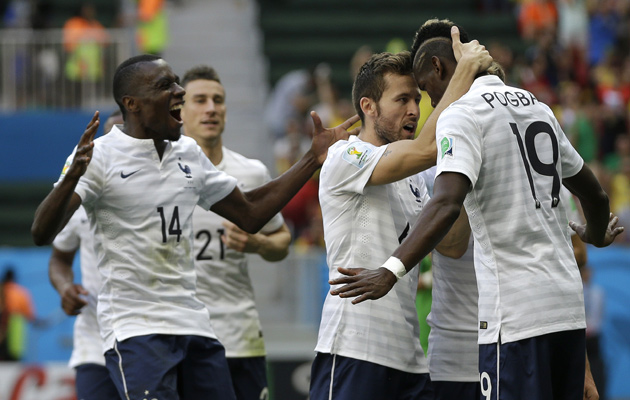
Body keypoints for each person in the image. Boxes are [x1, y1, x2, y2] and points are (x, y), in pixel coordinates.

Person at [31, 54, 359, 399]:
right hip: (136, 329)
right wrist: (71, 179)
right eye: (165, 86)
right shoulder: (99, 156)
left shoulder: (186, 152)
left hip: (195, 325)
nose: (179, 92)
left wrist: (311, 158)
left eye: (176, 83)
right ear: (133, 104)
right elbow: (42, 233)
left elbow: (250, 213)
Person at [330, 21, 624, 400]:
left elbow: (447, 202)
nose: (428, 104)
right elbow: (597, 197)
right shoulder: (540, 109)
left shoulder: (460, 116)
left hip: (513, 321)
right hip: (567, 315)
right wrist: (597, 233)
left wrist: (390, 270)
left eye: (423, 91)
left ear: (439, 69)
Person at [310, 29, 492, 400]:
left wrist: (466, 165)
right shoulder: (346, 157)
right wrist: (465, 72)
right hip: (354, 349)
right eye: (402, 99)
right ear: (368, 107)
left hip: (409, 359)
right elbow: (427, 147)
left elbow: (454, 245)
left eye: (417, 98)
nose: (414, 109)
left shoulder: (416, 182)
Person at [180, 64, 291, 400]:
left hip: (240, 336)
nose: (211, 108)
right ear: (179, 111)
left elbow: (282, 241)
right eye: (199, 100)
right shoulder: (162, 174)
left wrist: (257, 244)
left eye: (218, 100)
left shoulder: (251, 172)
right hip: (181, 337)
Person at [48, 110, 123, 399]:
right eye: (108, 137)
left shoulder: (162, 195)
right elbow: (59, 257)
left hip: (150, 335)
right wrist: (65, 286)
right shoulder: (80, 201)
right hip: (95, 344)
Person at [0, 267, 36, 361]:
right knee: (12, 362)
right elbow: (30, 315)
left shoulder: (3, 290)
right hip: (15, 335)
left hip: (5, 333)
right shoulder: (21, 293)